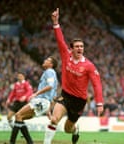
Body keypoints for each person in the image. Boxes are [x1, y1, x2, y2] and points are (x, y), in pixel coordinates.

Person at [43, 8, 104, 144]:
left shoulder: (89, 65)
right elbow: (60, 40)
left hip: (79, 101)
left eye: (81, 46)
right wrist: (55, 23)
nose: (79, 48)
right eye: (76, 46)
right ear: (71, 49)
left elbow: (97, 84)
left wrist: (99, 103)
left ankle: (75, 129)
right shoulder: (66, 56)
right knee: (54, 119)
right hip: (65, 95)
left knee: (67, 129)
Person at [9, 56, 58, 144]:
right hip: (44, 102)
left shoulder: (49, 72)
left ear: (51, 64)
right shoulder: (53, 74)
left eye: (47, 60)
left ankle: (13, 142)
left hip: (41, 100)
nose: (44, 60)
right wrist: (48, 110)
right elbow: (53, 94)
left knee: (18, 115)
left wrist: (36, 93)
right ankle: (29, 142)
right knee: (20, 117)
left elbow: (50, 86)